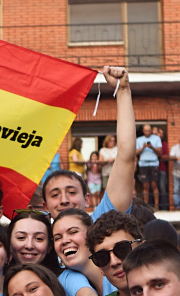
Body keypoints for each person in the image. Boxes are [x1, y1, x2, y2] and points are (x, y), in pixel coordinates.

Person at [41, 67, 137, 221]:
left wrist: (123, 91)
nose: (64, 200)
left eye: (72, 192)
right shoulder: (37, 235)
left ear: (86, 199)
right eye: (55, 195)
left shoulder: (99, 225)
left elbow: (126, 154)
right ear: (45, 206)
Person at [51, 209, 107, 296]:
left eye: (73, 232)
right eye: (58, 238)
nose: (64, 241)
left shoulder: (117, 274)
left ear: (91, 233)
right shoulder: (63, 281)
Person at [135, 124, 161, 208]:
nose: (147, 132)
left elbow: (160, 152)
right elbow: (135, 152)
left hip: (154, 164)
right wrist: (143, 148)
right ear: (143, 131)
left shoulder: (156, 138)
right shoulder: (139, 139)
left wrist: (152, 147)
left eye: (149, 131)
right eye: (146, 131)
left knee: (154, 185)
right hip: (143, 164)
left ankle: (156, 206)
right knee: (145, 186)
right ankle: (146, 206)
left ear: (151, 130)